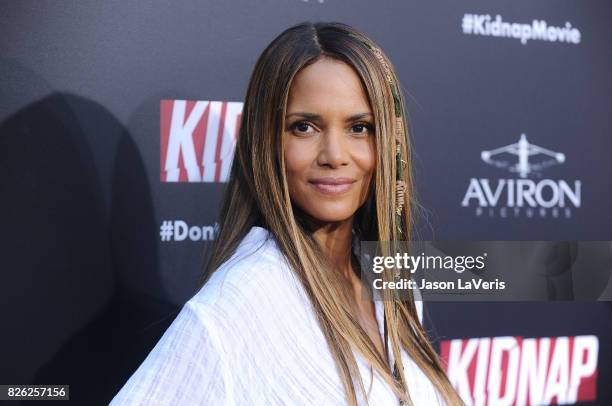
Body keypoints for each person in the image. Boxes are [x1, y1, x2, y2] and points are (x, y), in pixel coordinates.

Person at [110, 21, 464, 405]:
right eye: (304, 127)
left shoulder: (393, 275)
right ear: (266, 142)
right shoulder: (241, 302)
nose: (335, 155)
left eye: (359, 128)